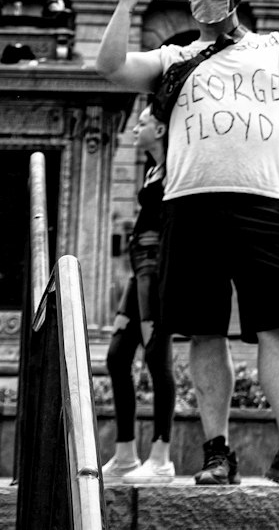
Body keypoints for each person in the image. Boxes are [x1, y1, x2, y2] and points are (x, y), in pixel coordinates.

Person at [96, 0, 279, 487]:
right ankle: (217, 451)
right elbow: (111, 67)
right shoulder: (175, 58)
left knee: (277, 328)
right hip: (190, 206)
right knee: (204, 330)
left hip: (262, 203)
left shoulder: (276, 48)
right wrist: (127, 0)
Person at [101, 102, 176, 486]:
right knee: (116, 357)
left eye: (142, 123)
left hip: (157, 273)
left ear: (160, 130)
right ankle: (126, 454)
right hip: (138, 271)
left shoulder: (178, 168)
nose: (136, 128)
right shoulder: (152, 170)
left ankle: (161, 457)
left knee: (155, 358)